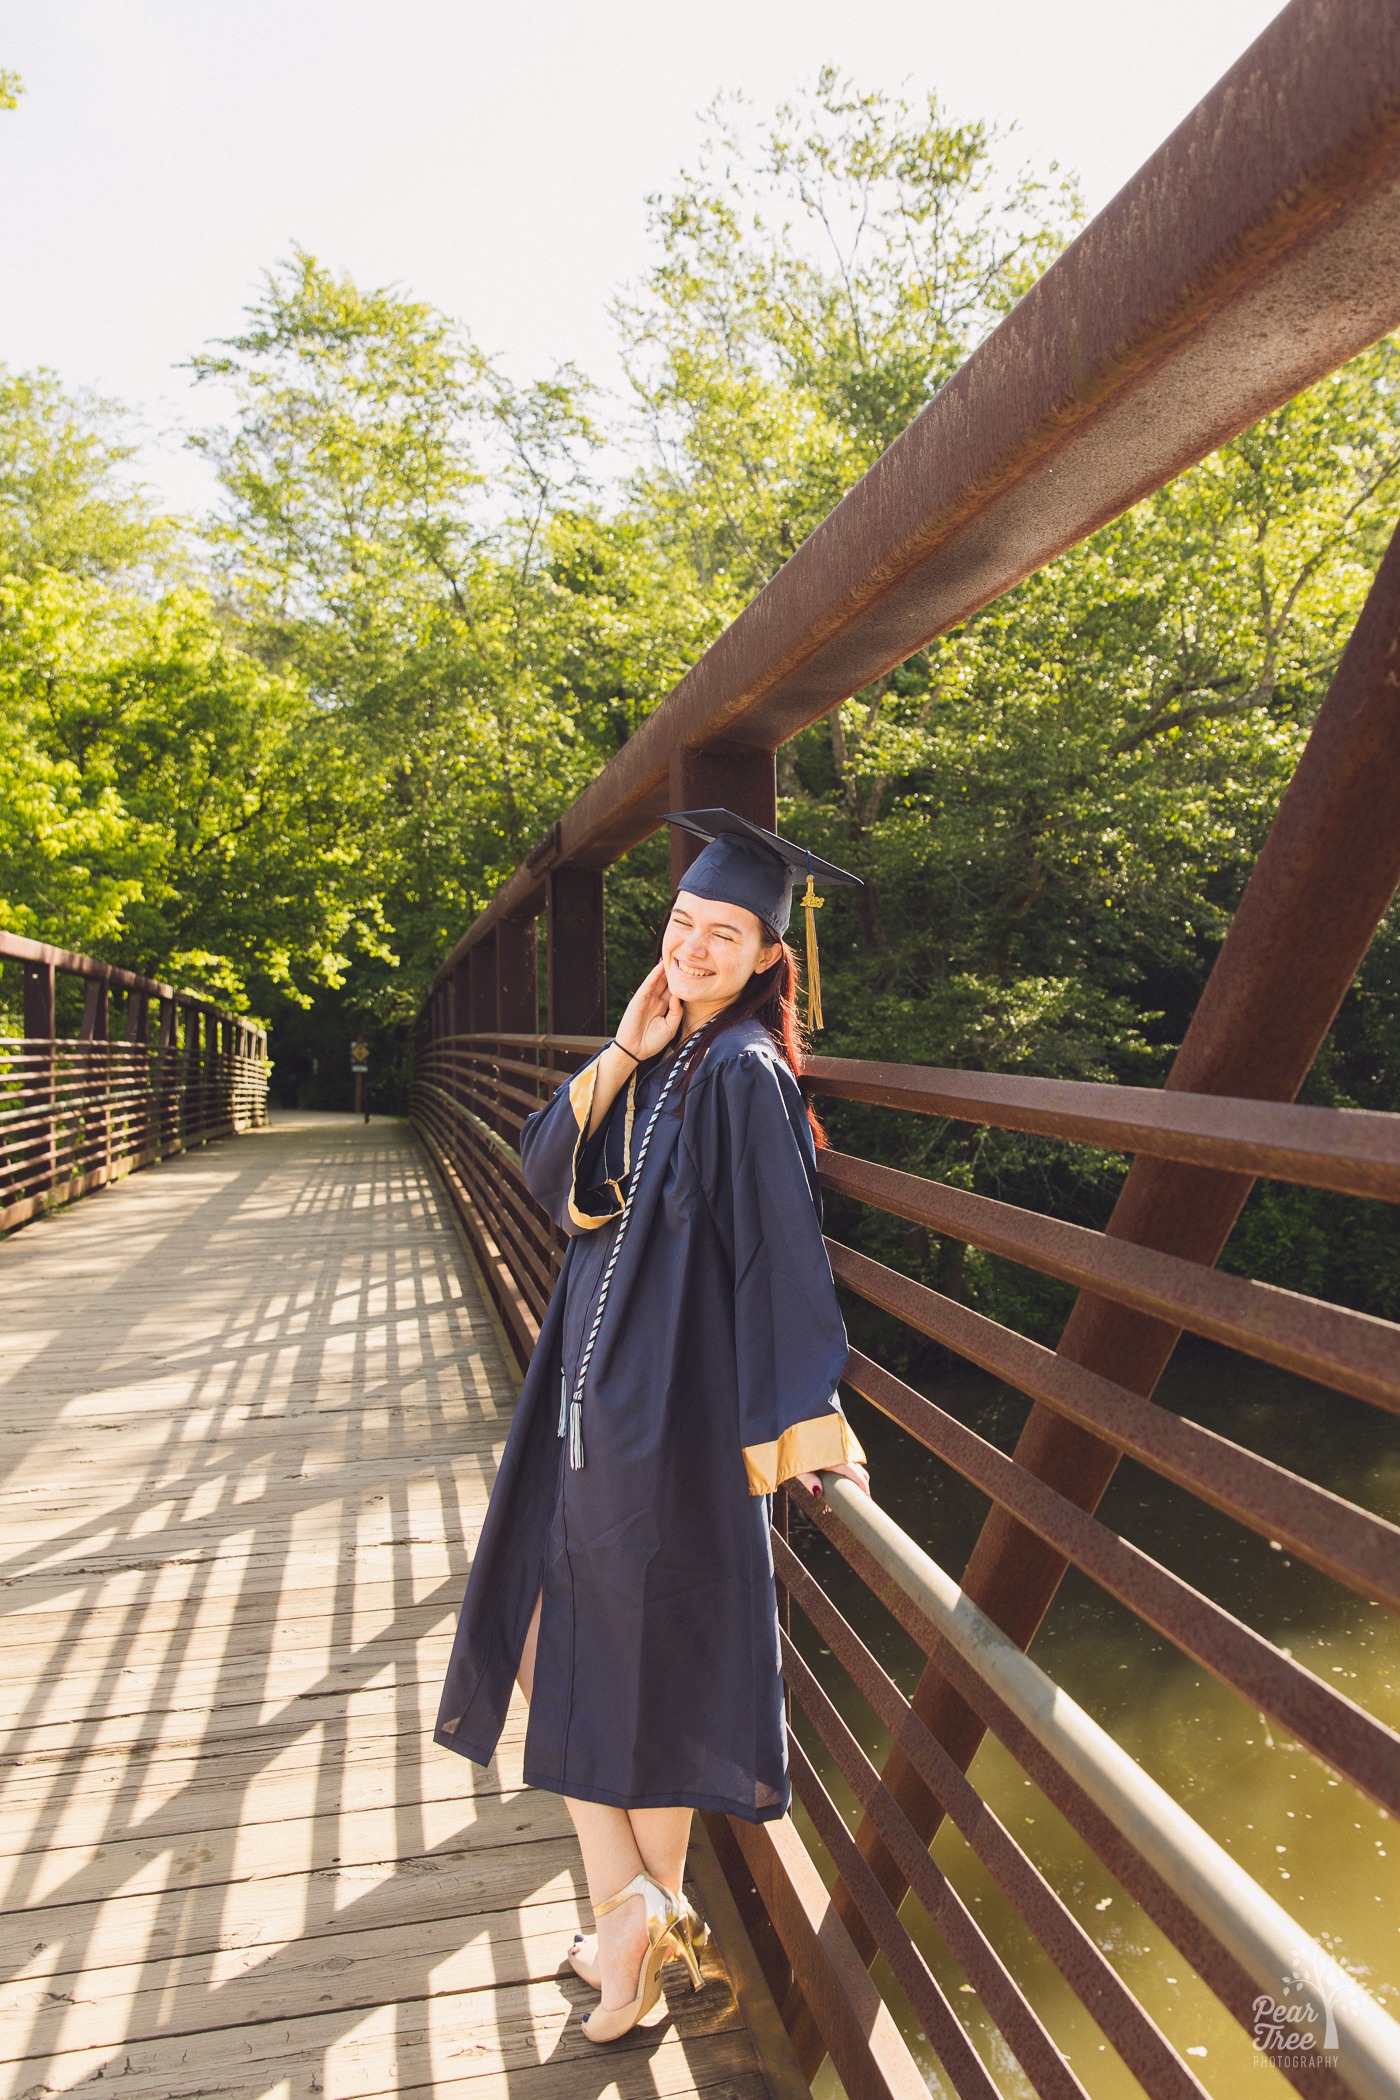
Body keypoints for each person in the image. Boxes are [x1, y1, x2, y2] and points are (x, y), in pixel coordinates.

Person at [433, 808, 872, 2043]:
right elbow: (547, 1174)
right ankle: (640, 1911)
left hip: (657, 1416)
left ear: (767, 956)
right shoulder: (675, 1050)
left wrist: (800, 1422)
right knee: (575, 1639)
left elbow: (784, 1254)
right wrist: (622, 1049)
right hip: (594, 1397)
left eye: (723, 935)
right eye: (682, 926)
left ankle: (624, 1932)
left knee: (578, 1640)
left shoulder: (740, 1073)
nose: (693, 949)